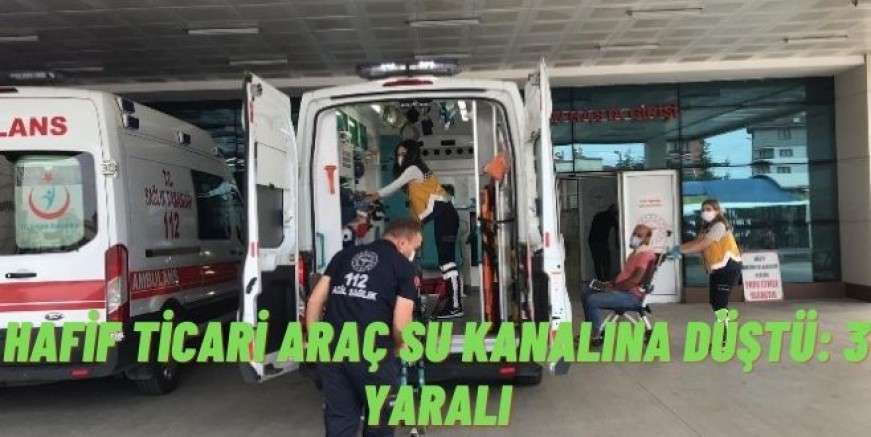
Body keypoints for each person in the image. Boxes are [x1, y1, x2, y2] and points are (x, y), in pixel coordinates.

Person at [305, 218, 423, 437]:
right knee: (380, 420)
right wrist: (401, 348)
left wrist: (315, 343)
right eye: (415, 247)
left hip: (334, 350)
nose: (414, 253)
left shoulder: (344, 255)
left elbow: (314, 301)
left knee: (340, 420)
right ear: (402, 243)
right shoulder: (404, 268)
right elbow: (401, 323)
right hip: (375, 354)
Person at [368, 139, 463, 319]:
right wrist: (415, 230)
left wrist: (373, 196)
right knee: (445, 262)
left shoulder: (413, 169)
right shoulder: (414, 177)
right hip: (443, 216)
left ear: (411, 154)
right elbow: (417, 207)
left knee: (447, 262)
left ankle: (455, 306)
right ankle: (452, 303)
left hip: (445, 216)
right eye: (398, 154)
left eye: (403, 154)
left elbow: (393, 187)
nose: (400, 157)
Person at [580, 224, 657, 344]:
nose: (634, 237)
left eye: (639, 236)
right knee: (586, 291)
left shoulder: (645, 255)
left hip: (632, 296)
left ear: (647, 239)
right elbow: (625, 275)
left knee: (592, 300)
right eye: (634, 234)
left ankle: (595, 336)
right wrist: (610, 283)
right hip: (623, 290)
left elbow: (634, 280)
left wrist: (613, 288)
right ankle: (591, 330)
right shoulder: (635, 254)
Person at [669, 198, 742, 314]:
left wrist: (681, 251)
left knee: (720, 303)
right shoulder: (707, 227)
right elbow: (697, 242)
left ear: (717, 211)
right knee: (715, 302)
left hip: (728, 268)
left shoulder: (719, 226)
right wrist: (678, 248)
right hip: (718, 269)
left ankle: (726, 325)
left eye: (708, 209)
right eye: (703, 210)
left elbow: (702, 245)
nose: (705, 212)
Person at [588, 204, 619, 280]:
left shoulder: (599, 215)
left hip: (593, 241)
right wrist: (617, 243)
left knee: (597, 261)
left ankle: (601, 279)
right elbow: (617, 232)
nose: (617, 214)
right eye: (616, 212)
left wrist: (616, 242)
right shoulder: (612, 218)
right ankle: (606, 279)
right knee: (606, 261)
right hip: (599, 241)